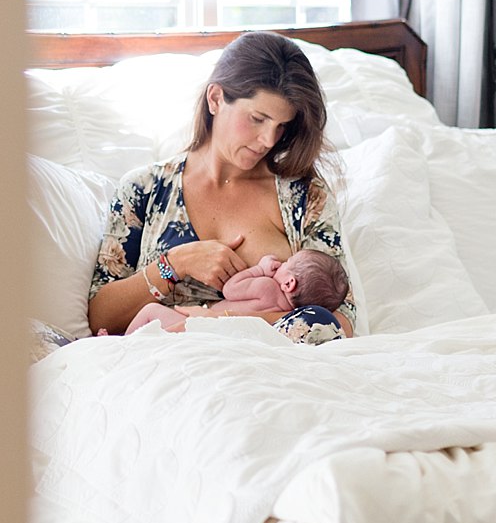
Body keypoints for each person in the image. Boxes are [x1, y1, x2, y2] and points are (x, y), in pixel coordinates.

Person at [86, 30, 355, 345]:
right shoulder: (143, 190)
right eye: (258, 118)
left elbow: (338, 320)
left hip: (267, 366)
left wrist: (218, 323)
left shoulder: (305, 195)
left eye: (281, 126)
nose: (269, 140)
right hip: (165, 362)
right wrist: (176, 264)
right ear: (215, 99)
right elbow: (100, 317)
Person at [124, 249, 350, 335]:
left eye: (285, 263)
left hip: (200, 325)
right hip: (216, 334)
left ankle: (120, 343)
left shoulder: (267, 286)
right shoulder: (288, 314)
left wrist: (259, 269)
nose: (279, 264)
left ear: (289, 283)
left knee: (151, 311)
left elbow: (230, 289)